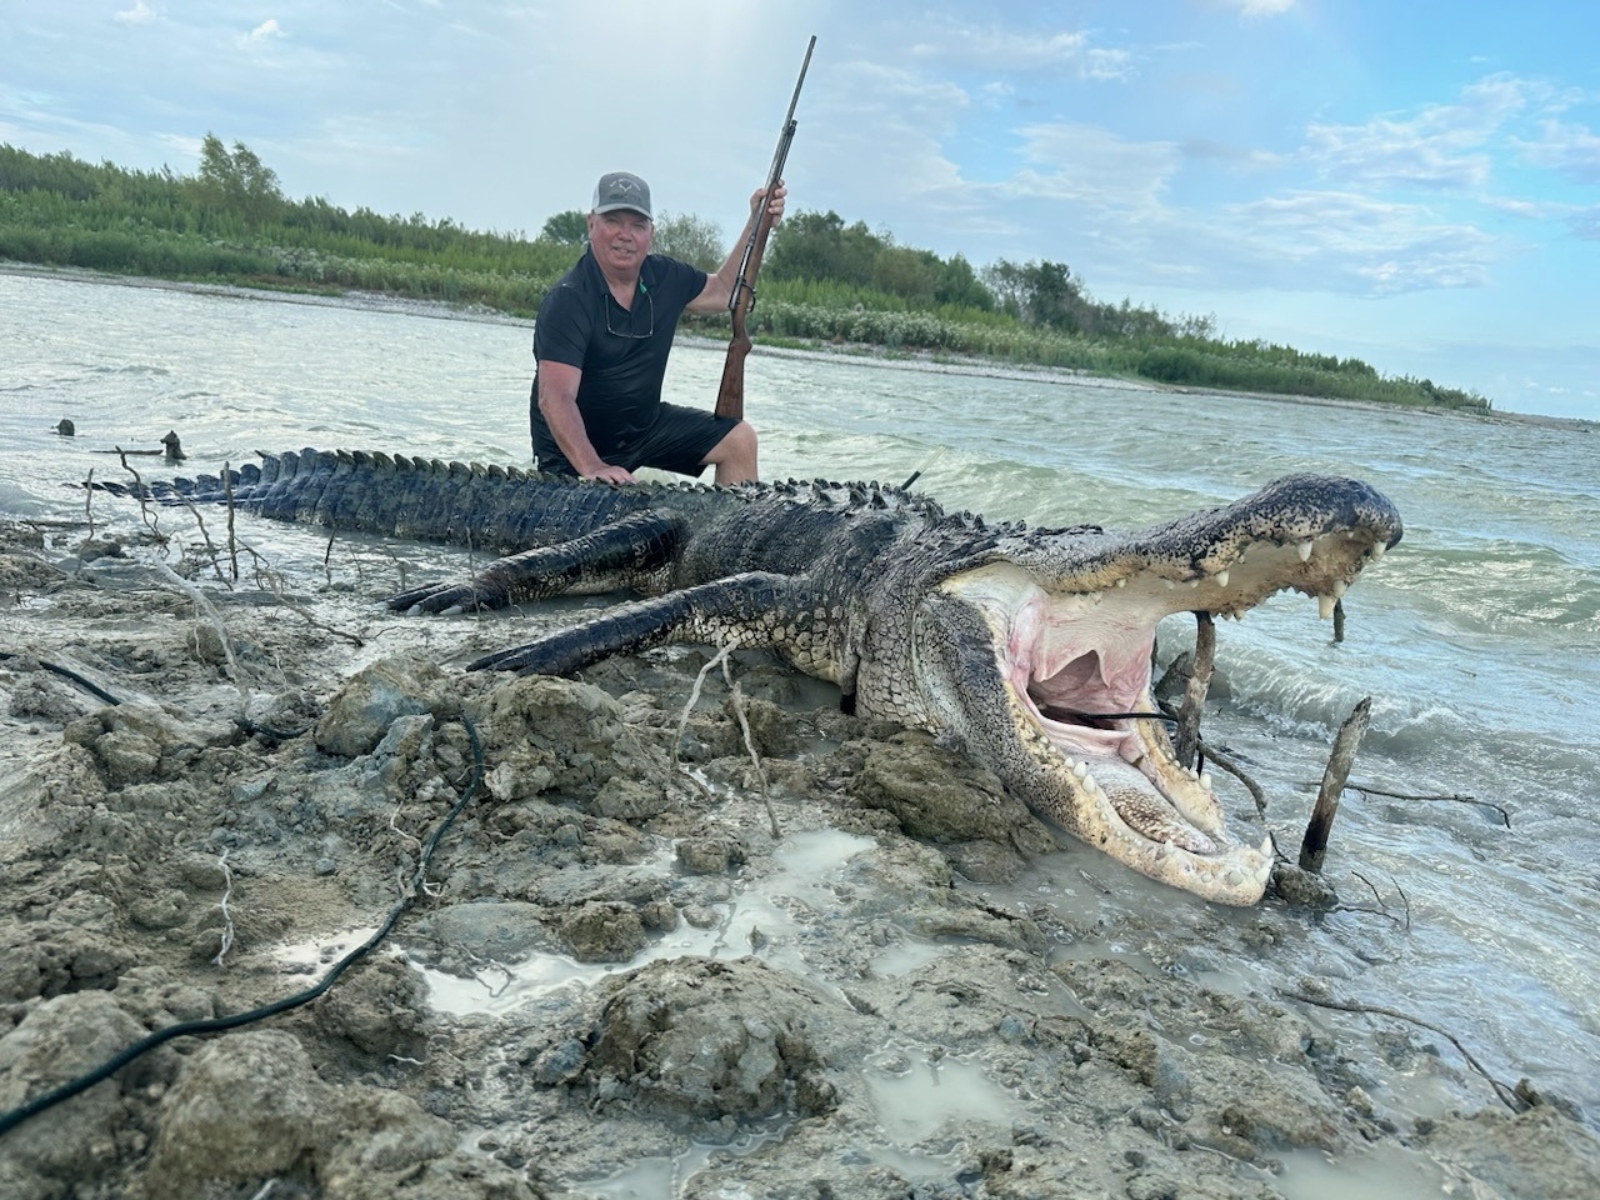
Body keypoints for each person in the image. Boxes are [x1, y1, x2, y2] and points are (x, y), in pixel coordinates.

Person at [530, 171, 786, 485]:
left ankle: (727, 534)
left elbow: (723, 292)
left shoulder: (665, 276)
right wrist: (593, 466)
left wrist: (755, 226)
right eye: (613, 221)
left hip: (642, 431)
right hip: (572, 454)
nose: (625, 235)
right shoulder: (568, 299)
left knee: (740, 440)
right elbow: (554, 397)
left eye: (637, 225)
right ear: (591, 223)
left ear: (651, 232)